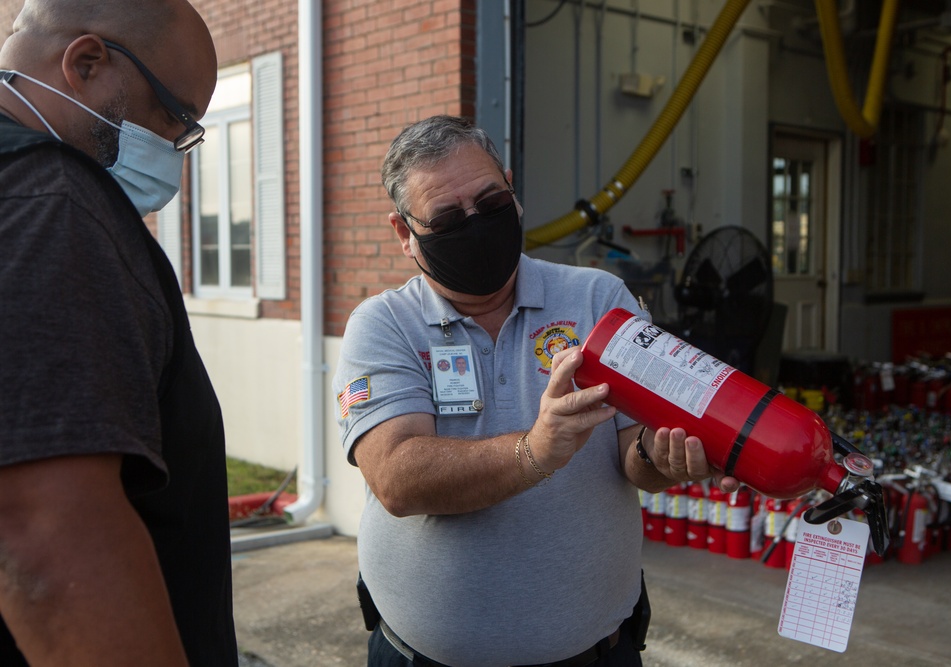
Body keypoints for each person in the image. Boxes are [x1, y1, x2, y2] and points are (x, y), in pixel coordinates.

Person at [334, 114, 738, 667]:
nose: (476, 225)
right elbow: (396, 479)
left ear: (513, 192)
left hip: (597, 653)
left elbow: (635, 452)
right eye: (448, 219)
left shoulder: (598, 300)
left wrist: (663, 458)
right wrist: (535, 451)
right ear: (405, 234)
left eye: (491, 203)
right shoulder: (384, 325)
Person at [0, 2, 237, 665]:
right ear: (86, 63)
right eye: (175, 117)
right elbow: (42, 536)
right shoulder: (51, 205)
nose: (175, 146)